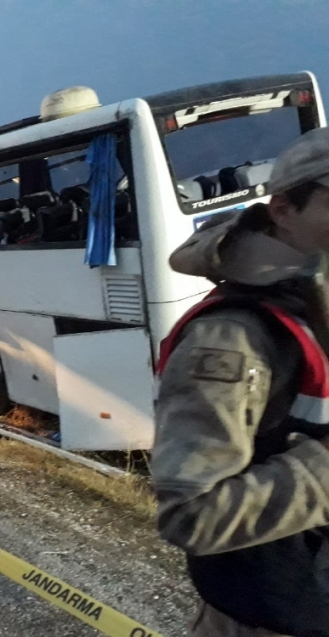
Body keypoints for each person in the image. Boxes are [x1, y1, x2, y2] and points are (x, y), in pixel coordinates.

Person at [152, 126, 329, 637]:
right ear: (282, 210)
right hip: (272, 617)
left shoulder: (317, 300)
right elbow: (191, 515)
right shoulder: (232, 338)